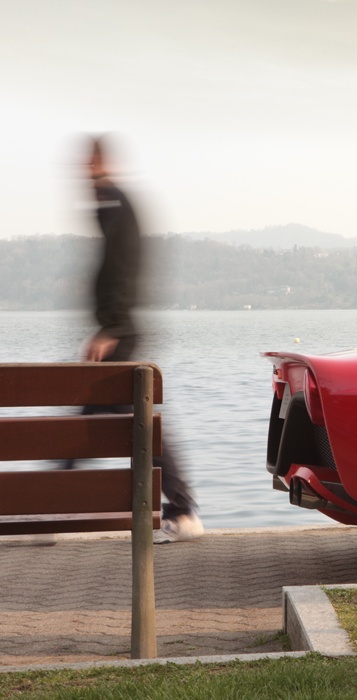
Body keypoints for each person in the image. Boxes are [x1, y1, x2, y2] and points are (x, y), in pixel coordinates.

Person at [62, 134, 204, 543]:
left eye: (88, 162)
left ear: (100, 163)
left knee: (140, 423)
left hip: (119, 334)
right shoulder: (113, 204)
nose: (82, 171)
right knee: (103, 416)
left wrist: (112, 327)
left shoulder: (116, 204)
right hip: (116, 332)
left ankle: (184, 509)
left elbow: (122, 269)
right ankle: (50, 500)